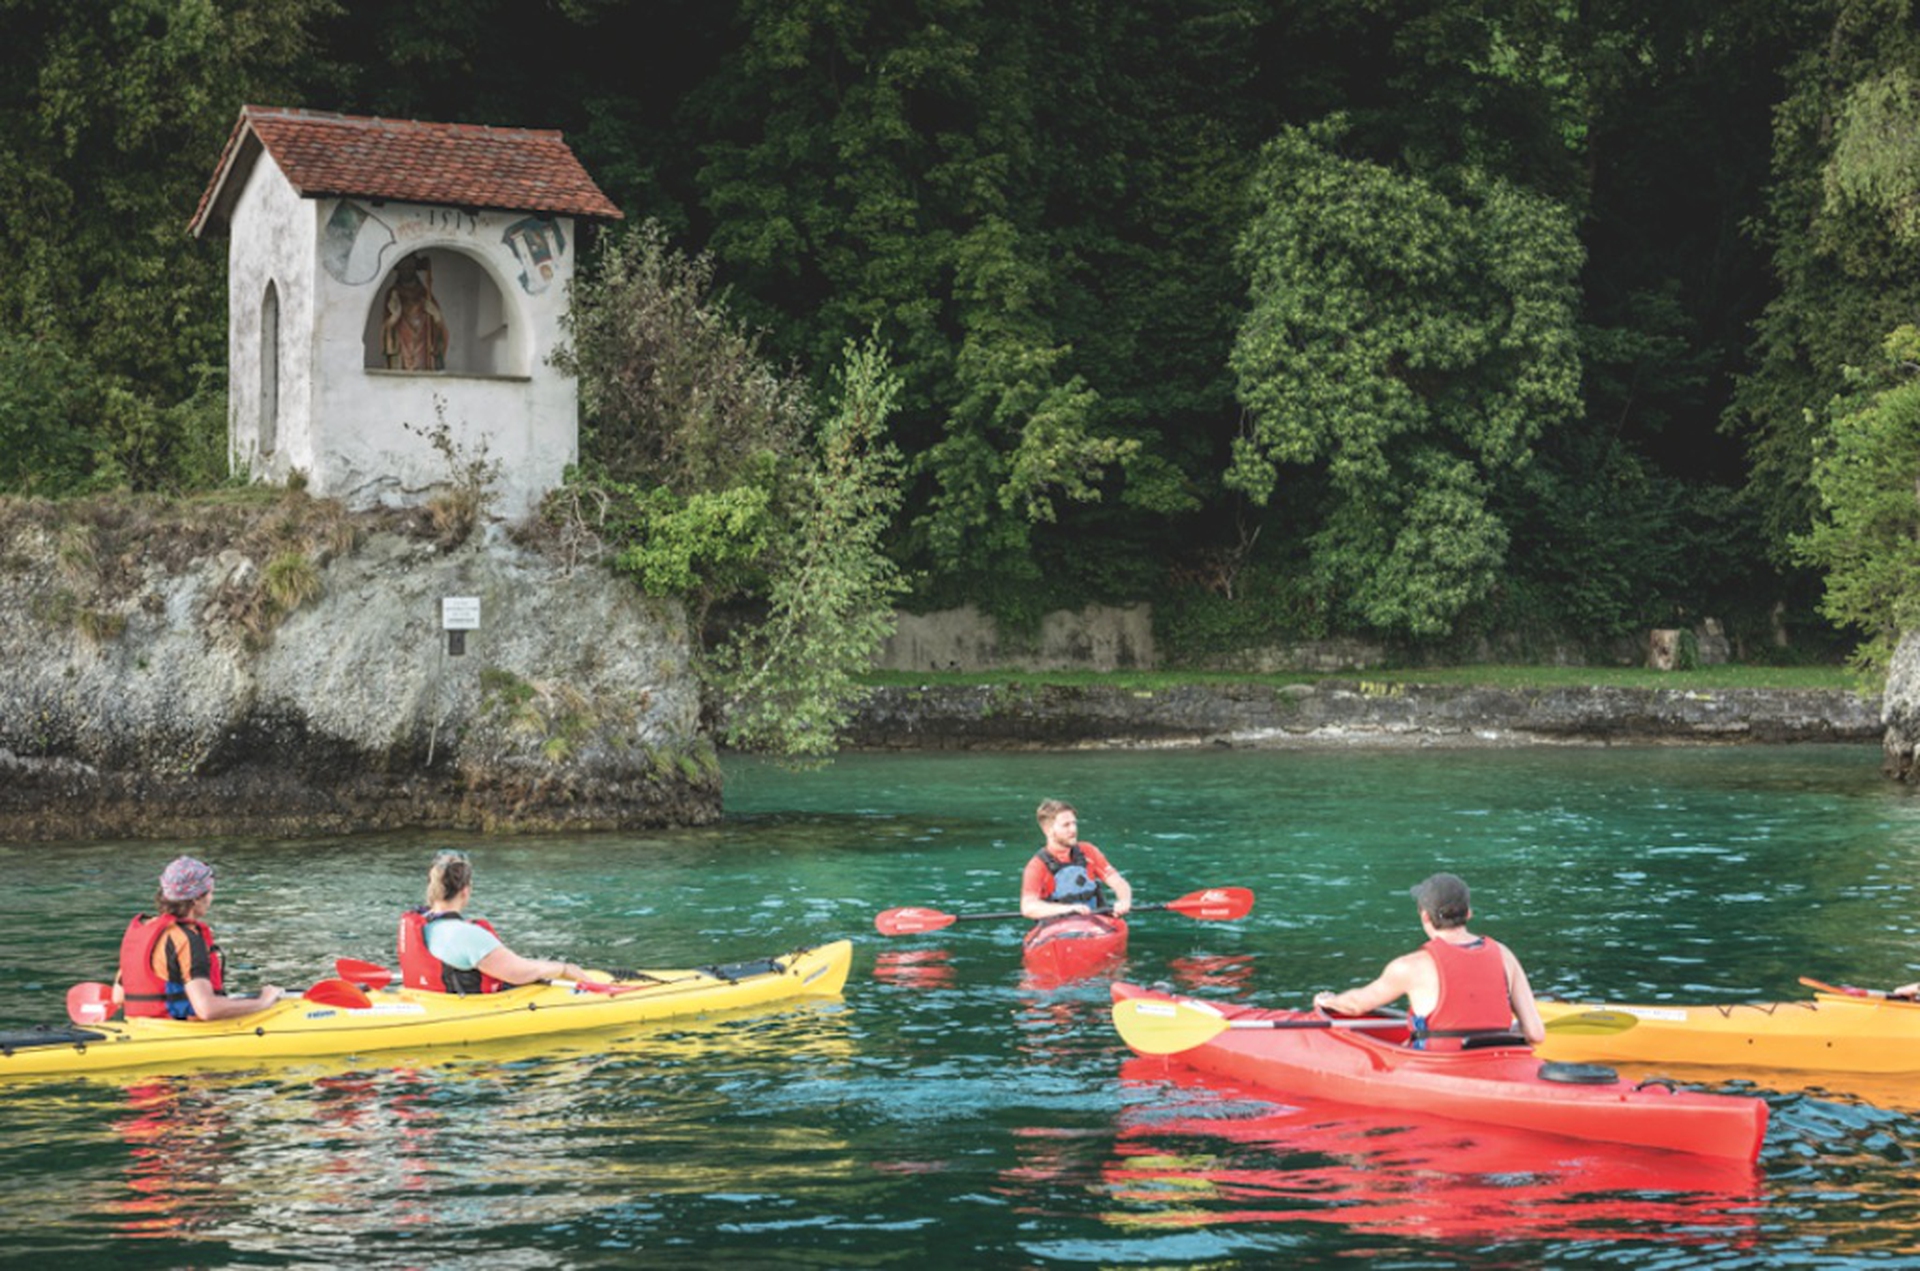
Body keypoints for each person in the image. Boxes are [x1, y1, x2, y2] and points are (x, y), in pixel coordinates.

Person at [1313, 872, 1545, 1048]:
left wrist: (1330, 1001)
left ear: (1424, 916)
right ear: (1468, 913)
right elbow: (1535, 1034)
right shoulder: (1504, 955)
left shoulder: (1411, 966)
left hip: (1442, 1068)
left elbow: (1356, 1005)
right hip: (1500, 1060)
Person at [113, 856, 283, 1021]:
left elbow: (118, 997)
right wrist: (263, 1002)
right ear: (195, 899)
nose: (211, 899)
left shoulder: (142, 930)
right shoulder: (187, 939)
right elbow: (207, 1010)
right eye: (210, 893)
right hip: (179, 1032)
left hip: (139, 1027)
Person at [398, 850, 591, 993]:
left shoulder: (424, 923)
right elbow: (519, 973)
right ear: (465, 892)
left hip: (429, 1000)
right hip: (464, 1012)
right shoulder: (468, 935)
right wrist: (564, 968)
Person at [1020, 799, 1133, 922]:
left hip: (1094, 925)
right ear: (1048, 830)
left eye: (1074, 823)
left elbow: (1118, 882)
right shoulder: (1036, 866)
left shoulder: (1089, 851)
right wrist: (1068, 909)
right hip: (1058, 931)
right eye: (1066, 825)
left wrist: (1124, 901)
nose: (1073, 829)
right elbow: (1028, 907)